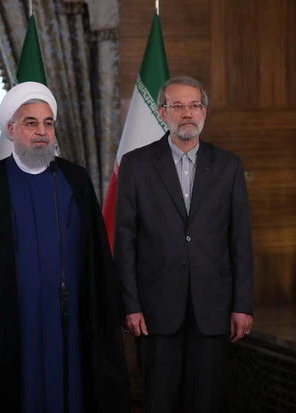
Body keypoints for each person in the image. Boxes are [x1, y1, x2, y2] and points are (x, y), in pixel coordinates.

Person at [0, 81, 130, 413]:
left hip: (70, 319)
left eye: (48, 123)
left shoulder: (75, 180)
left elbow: (97, 256)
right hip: (8, 320)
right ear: (11, 130)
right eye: (31, 123)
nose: (42, 132)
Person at [113, 75, 254, 413]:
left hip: (213, 308)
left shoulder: (228, 166)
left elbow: (240, 240)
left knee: (206, 402)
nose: (187, 113)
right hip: (155, 310)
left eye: (194, 105)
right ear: (163, 113)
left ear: (204, 111)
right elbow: (124, 240)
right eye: (178, 106)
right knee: (159, 401)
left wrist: (243, 305)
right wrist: (130, 305)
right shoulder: (136, 165)